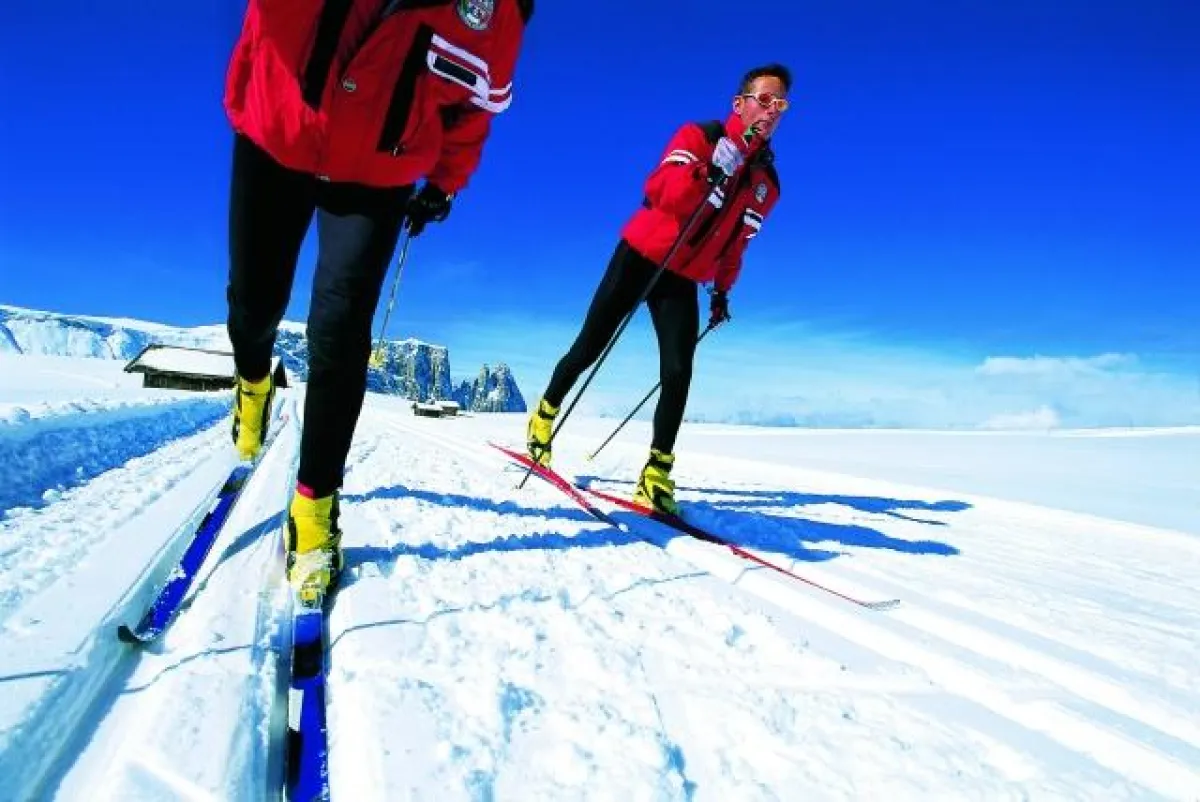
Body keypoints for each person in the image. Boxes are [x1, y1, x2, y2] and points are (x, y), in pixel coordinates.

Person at [223, 0, 534, 603]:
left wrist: (444, 182)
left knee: (339, 329)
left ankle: (314, 509)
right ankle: (253, 381)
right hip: (279, 132)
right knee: (255, 303)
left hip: (377, 172)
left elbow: (472, 110)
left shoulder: (499, 14)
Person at [526, 63, 789, 515]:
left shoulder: (767, 186)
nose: (771, 111)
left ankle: (655, 474)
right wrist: (708, 173)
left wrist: (721, 293)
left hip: (683, 277)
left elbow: (735, 246)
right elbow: (660, 190)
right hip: (641, 255)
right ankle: (545, 414)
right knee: (590, 345)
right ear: (740, 103)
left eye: (780, 104)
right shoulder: (699, 137)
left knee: (679, 369)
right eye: (763, 100)